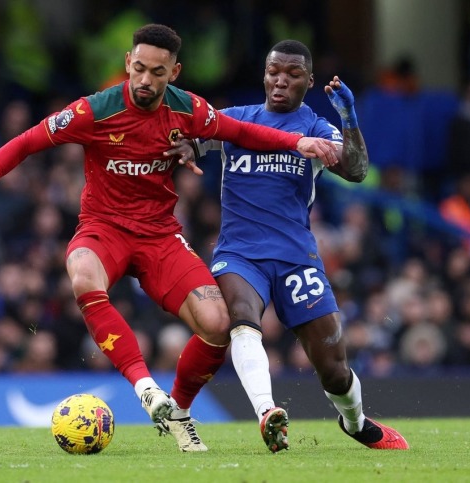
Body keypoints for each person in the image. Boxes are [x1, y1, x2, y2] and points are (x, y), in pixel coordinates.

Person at [0, 24, 339, 452]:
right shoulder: (94, 111)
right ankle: (144, 387)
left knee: (218, 324)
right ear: (127, 64)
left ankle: (178, 413)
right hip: (105, 229)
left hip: (160, 236)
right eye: (138, 68)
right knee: (83, 273)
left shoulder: (189, 109)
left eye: (157, 72)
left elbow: (243, 133)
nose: (145, 80)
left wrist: (298, 141)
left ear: (173, 72)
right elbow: (26, 142)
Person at [168, 39, 409, 452]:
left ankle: (354, 422)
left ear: (309, 81)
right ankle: (267, 413)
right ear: (264, 75)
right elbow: (193, 137)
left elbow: (356, 169)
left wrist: (349, 117)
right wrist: (187, 146)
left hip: (297, 259)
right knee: (240, 318)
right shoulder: (235, 121)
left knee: (333, 368)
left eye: (293, 75)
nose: (281, 81)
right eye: (274, 72)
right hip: (240, 255)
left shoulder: (315, 127)